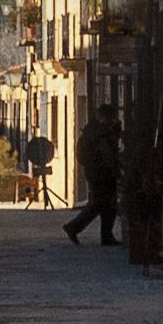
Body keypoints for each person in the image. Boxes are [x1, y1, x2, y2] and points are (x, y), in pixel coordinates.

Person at [65, 104, 122, 246]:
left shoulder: (94, 129)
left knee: (107, 205)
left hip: (96, 171)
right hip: (101, 172)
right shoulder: (100, 131)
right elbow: (105, 152)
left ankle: (106, 236)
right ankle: (74, 227)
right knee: (100, 203)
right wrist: (115, 166)